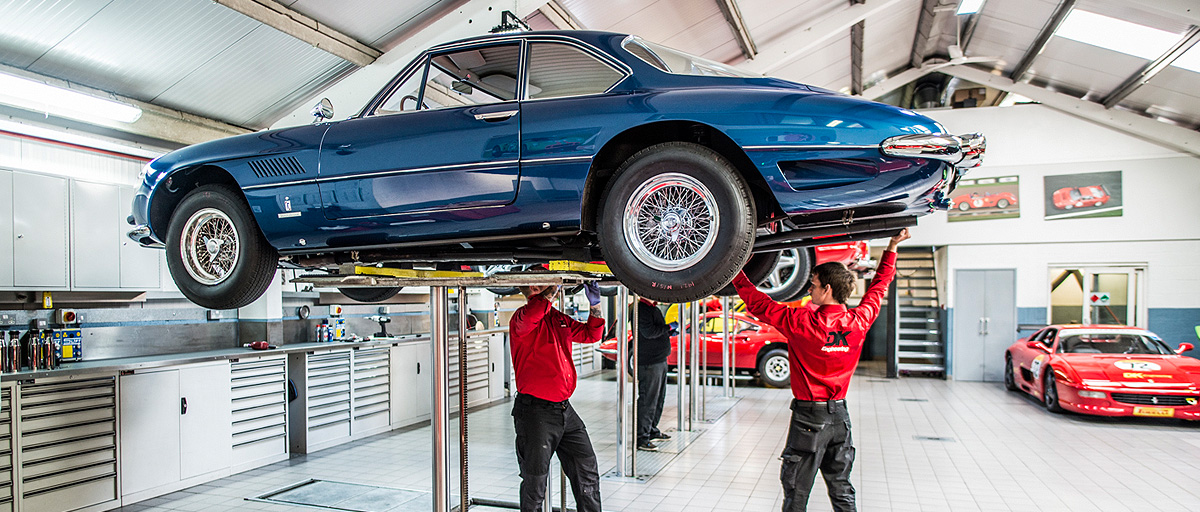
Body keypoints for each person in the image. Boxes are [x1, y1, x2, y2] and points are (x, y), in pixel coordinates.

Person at [732, 228, 910, 512]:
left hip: (808, 419)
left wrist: (734, 268)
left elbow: (757, 302)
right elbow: (880, 285)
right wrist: (892, 246)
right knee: (841, 488)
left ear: (827, 289)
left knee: (796, 491)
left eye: (813, 285)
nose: (810, 289)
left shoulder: (801, 323)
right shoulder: (859, 320)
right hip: (840, 418)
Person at [509, 281, 605, 512]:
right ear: (532, 288)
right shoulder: (521, 320)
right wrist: (556, 282)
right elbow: (535, 311)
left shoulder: (558, 318)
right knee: (535, 482)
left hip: (564, 410)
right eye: (545, 280)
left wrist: (596, 305)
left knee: (586, 471)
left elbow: (591, 335)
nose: (553, 284)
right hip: (535, 412)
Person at [634, 297, 674, 451]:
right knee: (648, 400)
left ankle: (651, 430)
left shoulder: (652, 308)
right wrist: (668, 328)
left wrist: (667, 330)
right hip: (649, 363)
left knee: (658, 399)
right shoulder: (642, 309)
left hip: (659, 360)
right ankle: (641, 438)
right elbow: (648, 332)